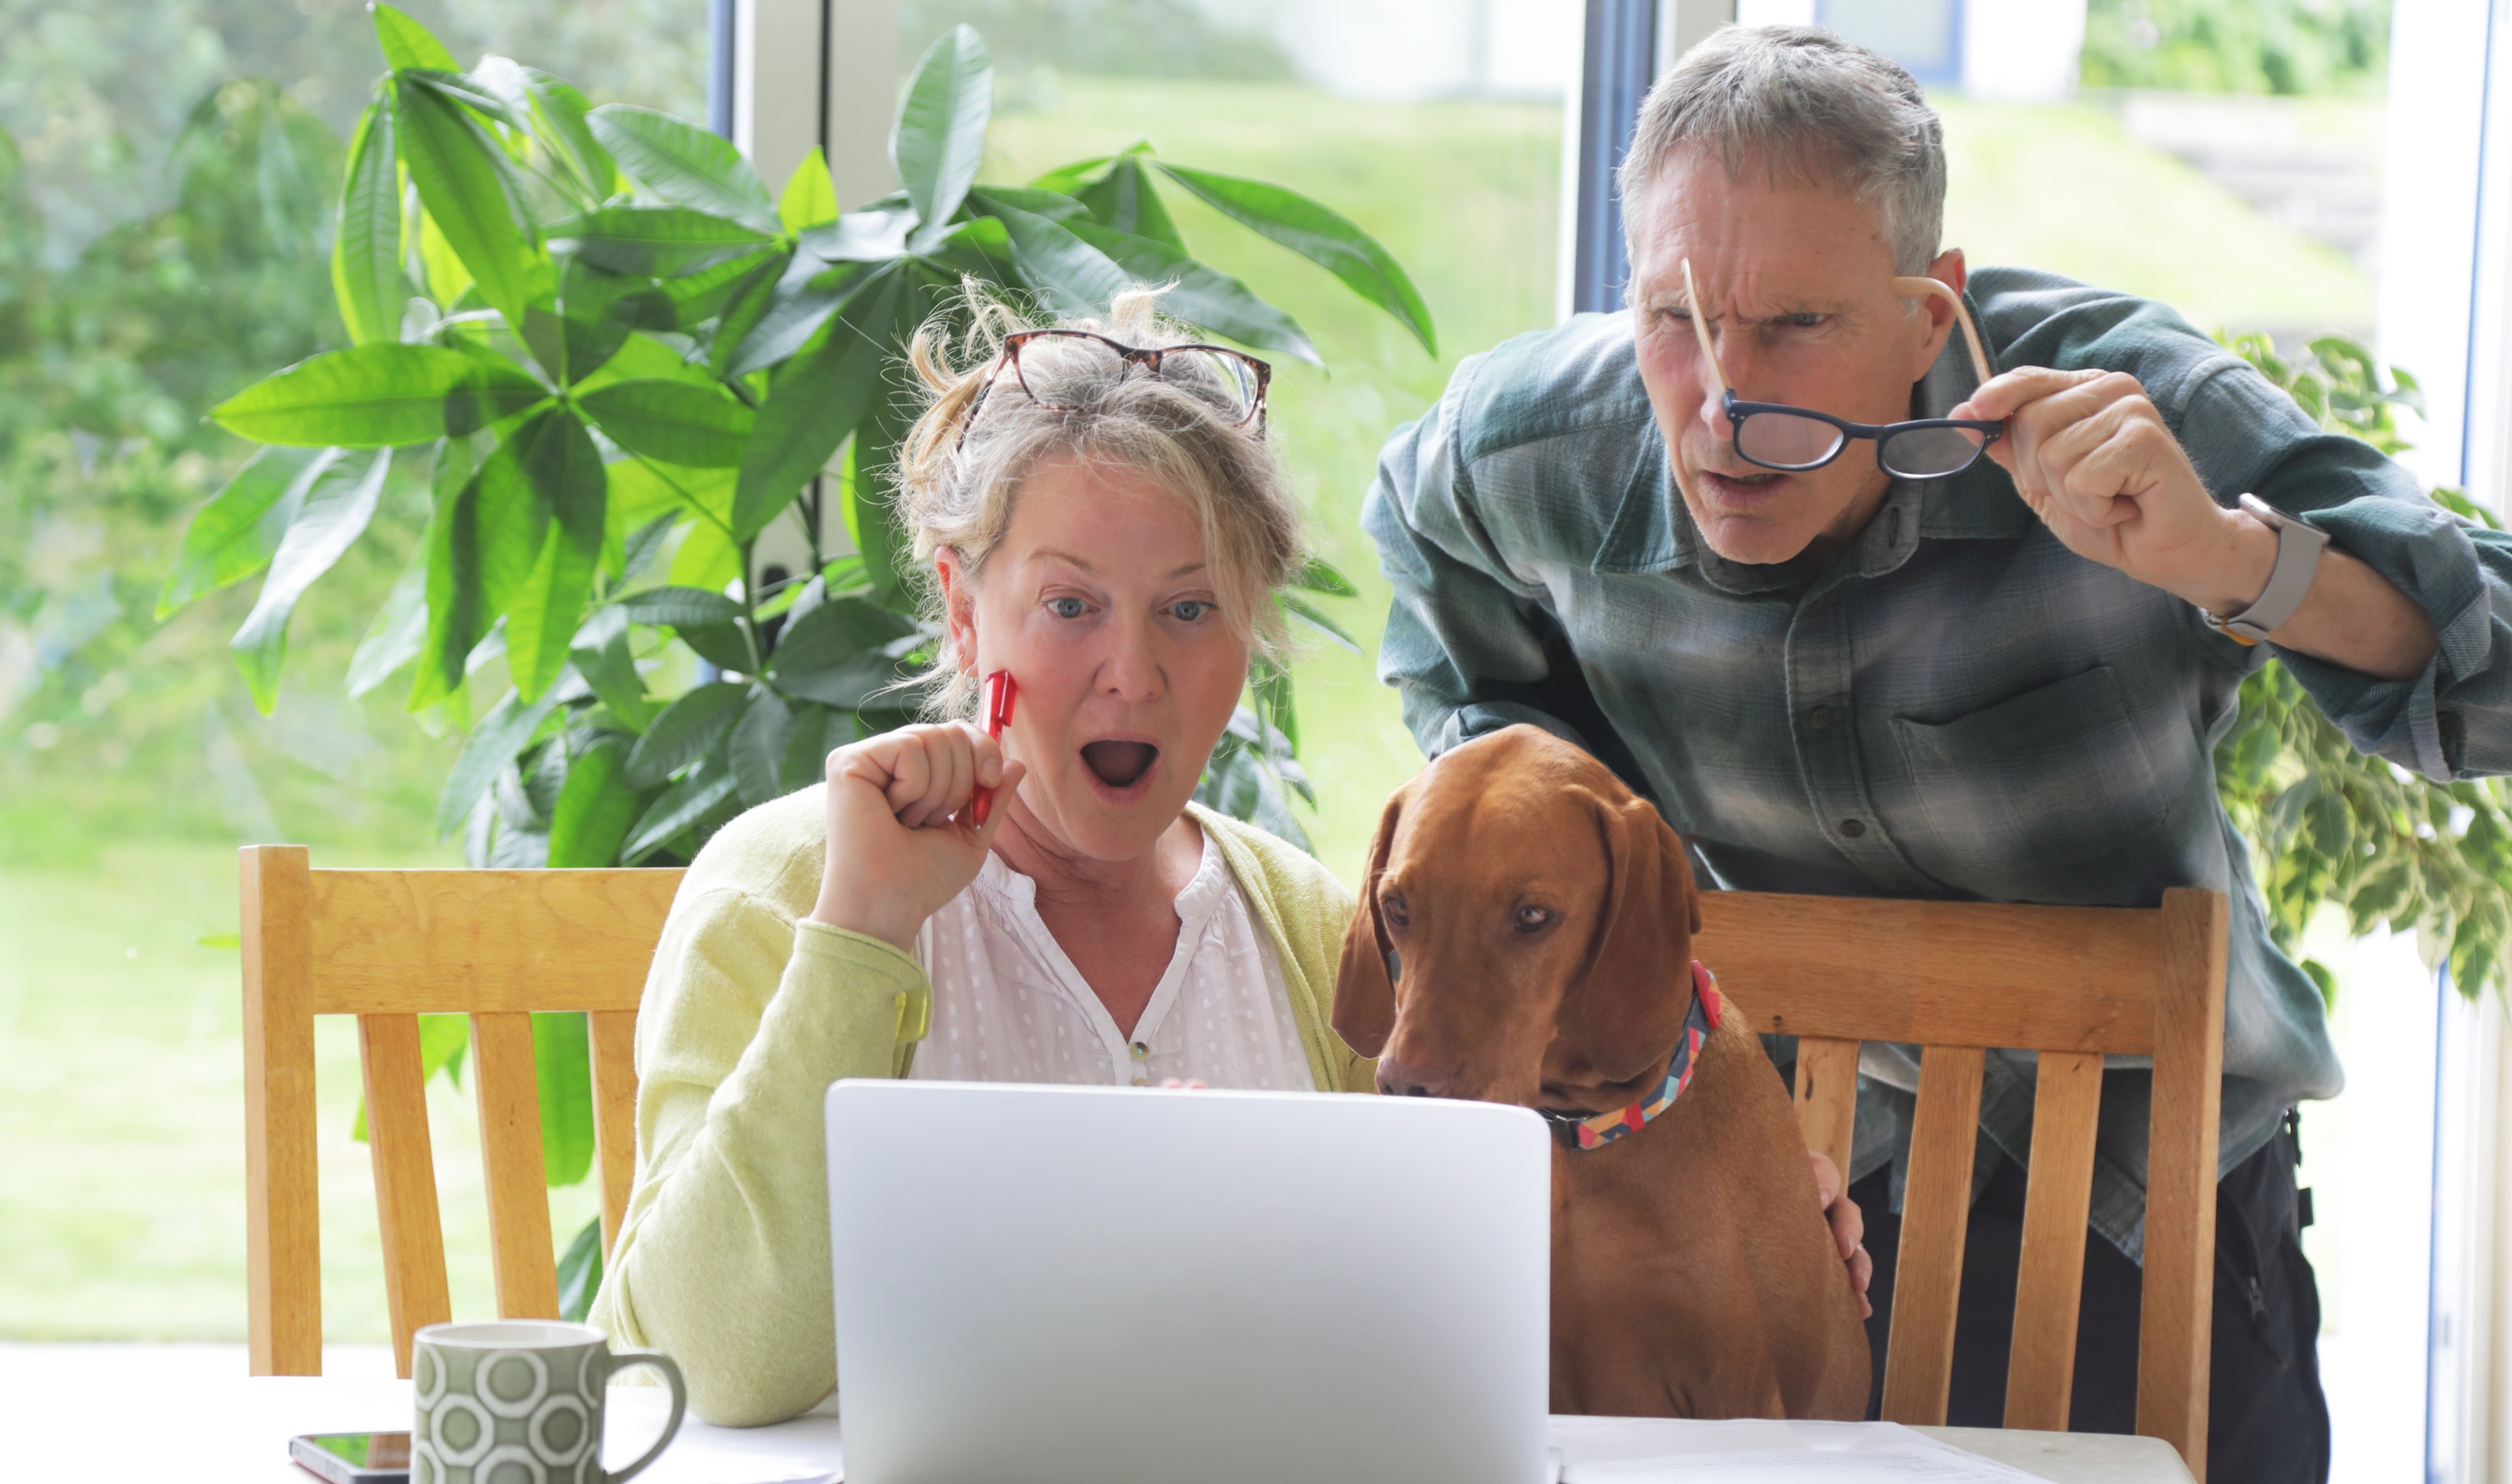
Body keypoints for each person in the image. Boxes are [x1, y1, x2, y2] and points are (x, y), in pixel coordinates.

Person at [1365, 25, 2509, 1483]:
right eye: (1677, 314)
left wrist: (2230, 557)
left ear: (1929, 311)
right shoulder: (1529, 452)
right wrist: (1588, 852)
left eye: (1796, 326)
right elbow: (1423, 565)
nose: (1721, 409)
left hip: (2164, 1206)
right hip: (1808, 1197)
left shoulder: (2124, 404)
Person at [591, 293, 1374, 1425]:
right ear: (966, 618)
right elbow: (708, 1366)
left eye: (1191, 608)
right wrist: (860, 936)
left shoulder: (1308, 929)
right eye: (1069, 604)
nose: (1134, 672)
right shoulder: (783, 890)